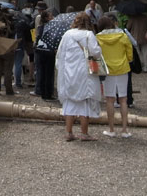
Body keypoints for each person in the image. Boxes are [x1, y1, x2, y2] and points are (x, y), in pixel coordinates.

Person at [56, 12, 104, 141]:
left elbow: (60, 53)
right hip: (84, 73)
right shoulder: (89, 35)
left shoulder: (67, 34)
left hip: (69, 72)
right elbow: (95, 53)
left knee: (70, 102)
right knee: (85, 103)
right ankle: (84, 133)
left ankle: (68, 132)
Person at [96, 15, 133, 138]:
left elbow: (96, 54)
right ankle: (124, 130)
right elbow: (129, 51)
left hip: (107, 70)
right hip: (122, 68)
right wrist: (128, 60)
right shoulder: (122, 35)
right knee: (123, 99)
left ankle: (111, 129)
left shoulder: (98, 37)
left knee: (109, 100)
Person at [33, 10, 55, 100]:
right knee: (48, 73)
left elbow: (37, 38)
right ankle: (47, 93)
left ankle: (43, 92)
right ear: (46, 18)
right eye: (50, 16)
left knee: (42, 72)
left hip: (41, 51)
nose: (52, 17)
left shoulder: (40, 27)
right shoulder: (51, 28)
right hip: (48, 52)